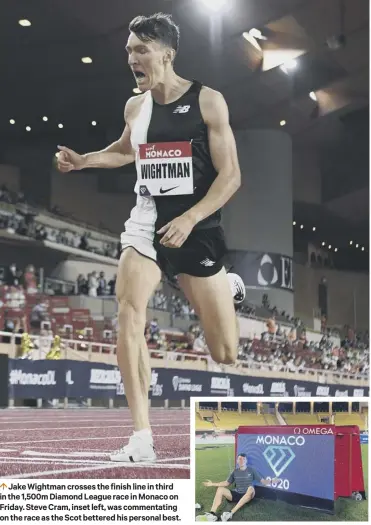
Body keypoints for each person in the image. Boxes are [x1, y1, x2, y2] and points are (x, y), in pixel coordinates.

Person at [56, 12, 245, 463]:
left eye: (141, 49)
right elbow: (126, 150)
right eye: (128, 51)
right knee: (128, 313)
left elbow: (231, 176)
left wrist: (192, 217)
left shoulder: (208, 102)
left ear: (167, 53)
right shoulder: (134, 107)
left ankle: (229, 285)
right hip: (146, 224)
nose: (132, 58)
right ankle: (142, 437)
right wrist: (85, 161)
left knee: (225, 353)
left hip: (196, 229)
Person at [198, 453, 277, 521]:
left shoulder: (252, 470)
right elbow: (226, 483)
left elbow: (263, 481)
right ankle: (212, 514)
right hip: (236, 494)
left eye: (243, 459)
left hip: (248, 494)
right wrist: (212, 484)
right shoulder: (235, 471)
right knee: (220, 489)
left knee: (251, 488)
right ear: (237, 461)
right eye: (240, 459)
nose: (241, 460)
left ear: (246, 461)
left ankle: (230, 513)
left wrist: (272, 481)